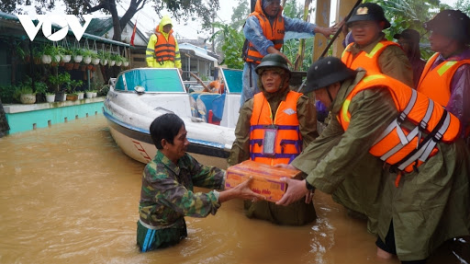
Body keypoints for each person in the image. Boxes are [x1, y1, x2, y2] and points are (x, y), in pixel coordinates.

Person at [276, 57, 470, 263]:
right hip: (407, 168)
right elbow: (327, 139)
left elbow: (348, 149)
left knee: (413, 240)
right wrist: (294, 167)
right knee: (385, 240)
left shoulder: (370, 96)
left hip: (436, 161)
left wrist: (307, 185)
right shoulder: (344, 103)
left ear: (335, 85)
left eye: (318, 92)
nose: (317, 98)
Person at [137, 113, 264, 252]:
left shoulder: (183, 159)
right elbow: (189, 203)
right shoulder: (155, 173)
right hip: (156, 236)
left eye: (186, 136)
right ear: (165, 143)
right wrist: (233, 193)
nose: (187, 142)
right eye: (182, 138)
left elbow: (207, 175)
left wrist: (243, 179)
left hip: (177, 226)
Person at [228, 54, 318, 225]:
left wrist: (309, 182)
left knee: (295, 229)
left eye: (274, 73)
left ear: (284, 77)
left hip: (290, 183)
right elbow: (240, 143)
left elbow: (312, 144)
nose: (268, 78)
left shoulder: (301, 104)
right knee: (255, 228)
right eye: (264, 74)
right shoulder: (250, 105)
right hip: (257, 183)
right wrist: (232, 176)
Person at [240, 0, 338, 105]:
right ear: (262, 3)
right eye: (272, 3)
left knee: (272, 101)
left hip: (273, 68)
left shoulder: (282, 21)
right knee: (251, 102)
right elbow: (260, 41)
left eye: (277, 3)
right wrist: (278, 54)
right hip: (254, 69)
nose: (275, 6)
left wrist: (322, 30)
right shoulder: (252, 20)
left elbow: (300, 25)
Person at [417, 10, 470, 146]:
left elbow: (459, 117)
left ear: (452, 37)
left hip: (441, 143)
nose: (430, 37)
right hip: (422, 134)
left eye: (435, 33)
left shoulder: (464, 68)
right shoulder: (436, 58)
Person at [342, 3, 413, 87]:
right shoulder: (349, 49)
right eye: (355, 24)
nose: (359, 29)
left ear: (380, 26)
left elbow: (402, 94)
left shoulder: (390, 54)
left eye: (365, 24)